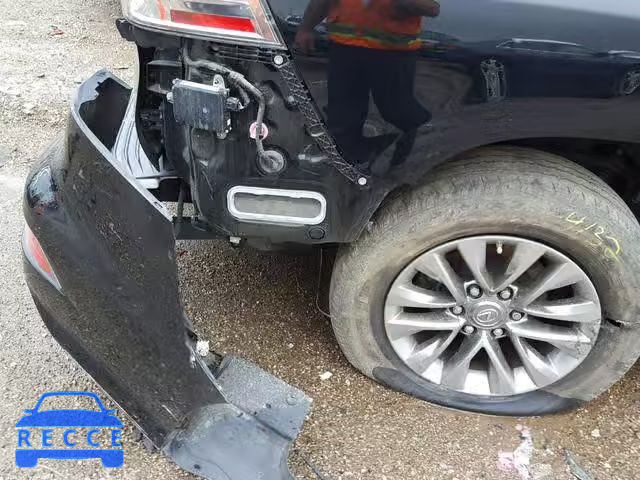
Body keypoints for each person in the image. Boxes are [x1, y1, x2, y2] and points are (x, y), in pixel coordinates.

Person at [295, 0, 440, 167]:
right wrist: (305, 28)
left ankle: (412, 155)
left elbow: (432, 8)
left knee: (396, 110)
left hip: (393, 54)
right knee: (343, 114)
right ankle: (348, 163)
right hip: (345, 50)